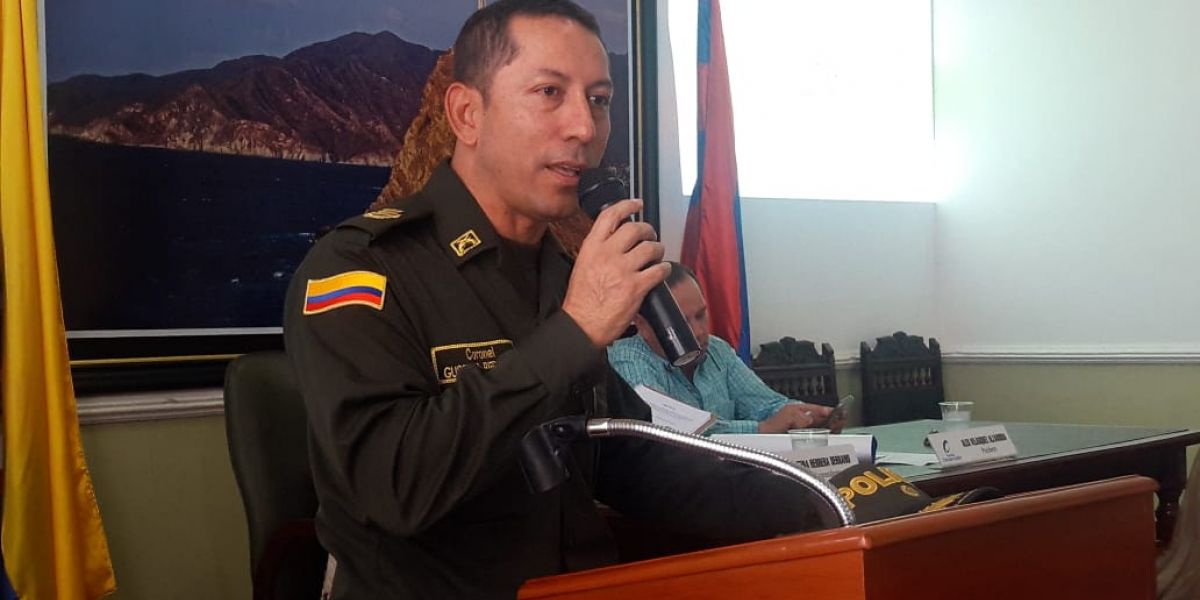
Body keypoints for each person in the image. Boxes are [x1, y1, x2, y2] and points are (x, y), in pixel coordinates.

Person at [283, 1, 827, 598]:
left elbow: (628, 458)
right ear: (467, 113)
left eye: (598, 99)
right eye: (549, 92)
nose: (585, 129)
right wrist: (574, 330)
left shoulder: (560, 271)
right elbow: (393, 488)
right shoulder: (362, 267)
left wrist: (826, 503)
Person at [609, 262, 839, 435]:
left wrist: (807, 416)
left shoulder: (717, 349)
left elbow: (766, 404)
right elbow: (675, 433)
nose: (698, 332)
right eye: (681, 324)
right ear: (642, 323)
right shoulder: (627, 360)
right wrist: (762, 429)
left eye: (700, 315)